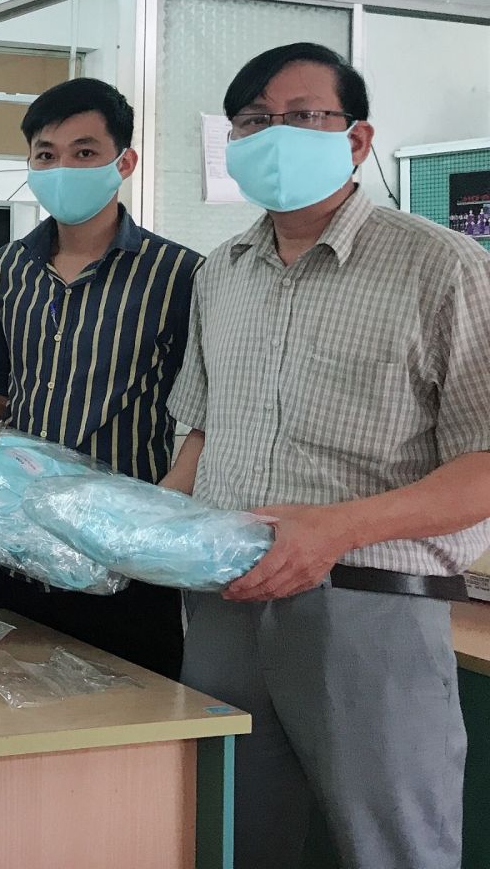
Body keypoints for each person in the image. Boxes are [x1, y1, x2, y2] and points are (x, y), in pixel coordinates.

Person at [165, 43, 490, 869]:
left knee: (393, 847)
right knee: (230, 838)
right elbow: (200, 430)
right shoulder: (221, 273)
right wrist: (149, 523)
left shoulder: (442, 267)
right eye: (254, 120)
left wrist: (337, 529)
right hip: (223, 605)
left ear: (357, 139)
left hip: (368, 611)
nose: (275, 135)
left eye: (304, 116)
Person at [0, 78, 202, 677]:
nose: (63, 168)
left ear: (124, 162)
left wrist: (164, 505)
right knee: (5, 698)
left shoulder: (178, 273)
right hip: (17, 534)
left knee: (132, 706)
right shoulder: (7, 266)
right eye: (46, 154)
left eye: (84, 152)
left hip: (122, 546)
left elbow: (208, 408)